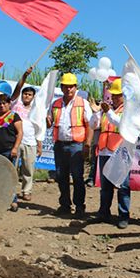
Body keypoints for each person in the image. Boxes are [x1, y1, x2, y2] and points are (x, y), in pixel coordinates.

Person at [46, 73, 93, 219]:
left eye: (71, 86)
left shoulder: (82, 103)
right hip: (60, 145)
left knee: (78, 177)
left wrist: (87, 144)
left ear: (76, 87)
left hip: (76, 146)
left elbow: (90, 124)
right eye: (66, 86)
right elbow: (50, 123)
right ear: (61, 87)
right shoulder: (56, 104)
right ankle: (65, 205)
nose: (68, 89)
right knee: (61, 176)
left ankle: (79, 207)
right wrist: (47, 120)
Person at [89, 79, 131, 229]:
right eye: (113, 95)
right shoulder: (106, 109)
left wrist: (108, 111)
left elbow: (122, 124)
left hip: (120, 153)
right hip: (105, 151)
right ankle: (103, 213)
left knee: (122, 186)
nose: (114, 97)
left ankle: (123, 216)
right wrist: (95, 112)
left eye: (117, 95)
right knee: (105, 186)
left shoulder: (127, 110)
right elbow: (93, 125)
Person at [11, 67, 42, 202]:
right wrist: (24, 76)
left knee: (28, 169)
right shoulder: (15, 104)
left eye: (29, 95)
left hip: (31, 142)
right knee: (12, 169)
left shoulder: (36, 110)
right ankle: (9, 191)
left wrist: (39, 145)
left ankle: (26, 191)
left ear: (33, 97)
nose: (26, 96)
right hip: (16, 142)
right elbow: (18, 88)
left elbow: (39, 128)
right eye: (25, 94)